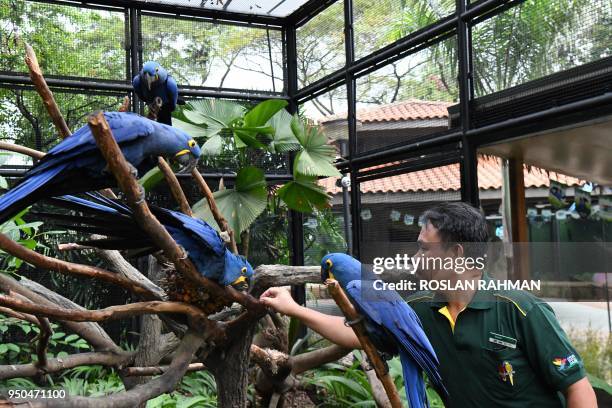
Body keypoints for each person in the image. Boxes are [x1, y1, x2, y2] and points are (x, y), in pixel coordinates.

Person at [260, 202, 597, 407]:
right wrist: (292, 307)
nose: (414, 257)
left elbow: (577, 387)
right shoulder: (420, 306)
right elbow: (356, 333)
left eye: (424, 249)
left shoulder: (521, 309)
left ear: (456, 255)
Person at [132, 61, 178, 126]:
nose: (149, 76)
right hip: (151, 106)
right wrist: (150, 104)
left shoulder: (169, 82)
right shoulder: (138, 81)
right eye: (145, 73)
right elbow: (142, 97)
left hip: (166, 107)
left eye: (156, 70)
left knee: (165, 124)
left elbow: (172, 105)